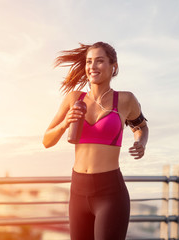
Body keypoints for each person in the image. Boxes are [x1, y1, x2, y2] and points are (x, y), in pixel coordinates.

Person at [42, 42, 149, 240]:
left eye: (99, 61)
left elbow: (140, 127)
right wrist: (66, 122)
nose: (92, 66)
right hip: (78, 192)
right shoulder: (74, 98)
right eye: (89, 61)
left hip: (110, 193)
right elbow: (47, 140)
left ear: (113, 66)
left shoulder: (125, 100)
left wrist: (140, 143)